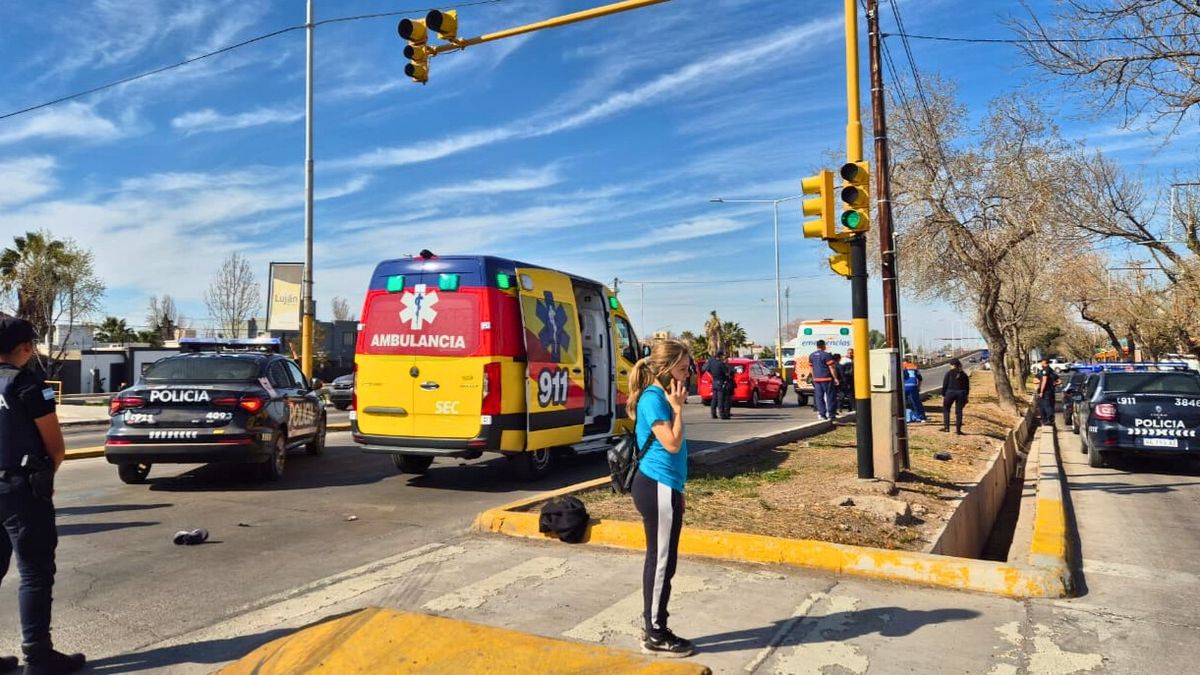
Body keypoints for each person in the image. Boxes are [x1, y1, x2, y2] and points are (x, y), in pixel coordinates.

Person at [0, 317, 86, 674]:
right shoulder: (28, 385)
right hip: (20, 489)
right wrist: (43, 473)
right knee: (35, 571)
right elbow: (56, 447)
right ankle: (38, 656)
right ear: (25, 348)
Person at [627, 339, 694, 657]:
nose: (688, 374)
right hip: (657, 486)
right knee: (661, 562)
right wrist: (679, 411)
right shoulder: (654, 399)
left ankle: (655, 626)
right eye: (682, 368)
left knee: (664, 561)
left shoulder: (660, 396)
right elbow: (671, 443)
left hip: (666, 487)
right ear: (666, 369)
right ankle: (655, 631)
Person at [809, 340, 839, 421]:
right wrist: (835, 378)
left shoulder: (811, 355)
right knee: (830, 396)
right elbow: (831, 368)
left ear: (817, 346)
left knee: (819, 397)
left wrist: (814, 377)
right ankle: (831, 414)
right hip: (827, 378)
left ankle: (822, 414)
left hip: (817, 379)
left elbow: (811, 368)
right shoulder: (826, 355)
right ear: (823, 346)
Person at [940, 358, 970, 435]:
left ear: (953, 365)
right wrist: (966, 396)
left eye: (950, 365)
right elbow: (967, 387)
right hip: (961, 393)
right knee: (959, 411)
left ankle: (946, 427)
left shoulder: (949, 373)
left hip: (950, 393)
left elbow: (945, 385)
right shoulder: (964, 374)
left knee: (946, 409)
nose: (950, 366)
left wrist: (943, 394)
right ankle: (958, 430)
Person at [703, 350, 729, 420]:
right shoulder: (721, 364)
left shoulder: (711, 362)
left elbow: (705, 369)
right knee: (720, 399)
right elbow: (726, 373)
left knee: (714, 399)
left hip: (714, 382)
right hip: (720, 382)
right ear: (720, 356)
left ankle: (713, 414)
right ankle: (722, 414)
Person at [1036, 357, 1060, 427]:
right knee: (1047, 405)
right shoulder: (1051, 370)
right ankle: (1047, 420)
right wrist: (1054, 383)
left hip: (1046, 391)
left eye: (1041, 362)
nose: (1040, 363)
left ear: (1044, 362)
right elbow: (1059, 381)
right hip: (1050, 390)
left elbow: (1044, 381)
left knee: (1045, 405)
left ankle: (1048, 420)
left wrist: (1041, 391)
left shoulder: (1045, 371)